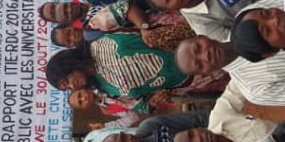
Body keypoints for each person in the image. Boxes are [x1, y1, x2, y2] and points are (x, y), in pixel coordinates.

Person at [45, 39, 190, 113]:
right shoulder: (107, 92)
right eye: (68, 88)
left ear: (66, 65)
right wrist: (152, 103)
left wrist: (144, 26)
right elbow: (138, 107)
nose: (72, 86)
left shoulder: (98, 42)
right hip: (189, 81)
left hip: (186, 47)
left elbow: (128, 9)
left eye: (66, 81)